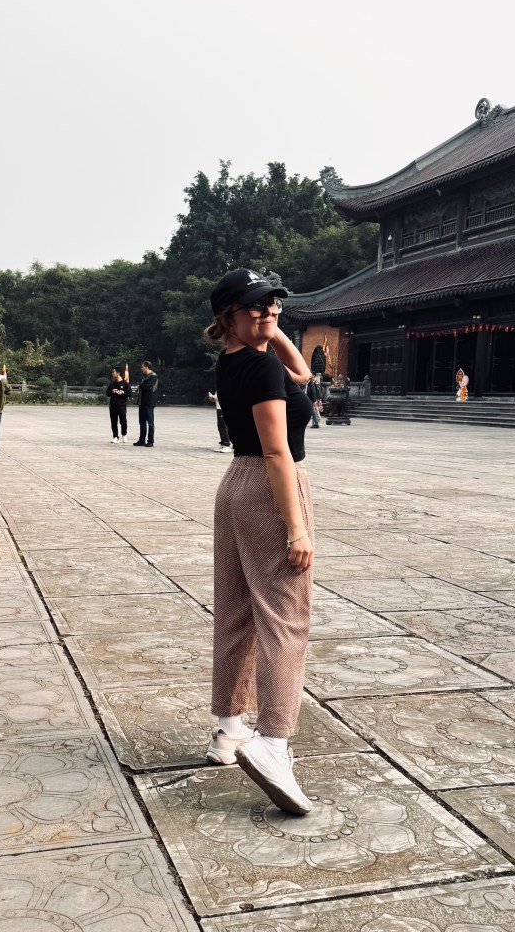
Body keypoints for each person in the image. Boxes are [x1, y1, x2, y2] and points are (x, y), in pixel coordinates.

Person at [205, 268, 314, 816]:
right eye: (256, 306)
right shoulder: (261, 365)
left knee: (235, 610)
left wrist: (271, 327)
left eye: (274, 304)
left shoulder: (235, 360)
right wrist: (297, 527)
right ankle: (273, 742)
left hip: (233, 487)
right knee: (285, 618)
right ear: (228, 317)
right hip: (272, 488)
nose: (269, 312)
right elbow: (277, 452)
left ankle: (229, 728)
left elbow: (304, 373)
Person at [133, 361, 158, 447]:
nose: (141, 369)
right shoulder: (145, 377)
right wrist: (142, 385)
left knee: (150, 422)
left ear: (147, 367)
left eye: (142, 367)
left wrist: (141, 385)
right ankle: (141, 440)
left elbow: (148, 387)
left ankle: (150, 441)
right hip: (142, 402)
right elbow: (143, 386)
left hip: (149, 403)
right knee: (142, 422)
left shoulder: (153, 377)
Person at [106, 367, 133, 443]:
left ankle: (124, 435)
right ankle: (115, 436)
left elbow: (130, 394)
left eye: (113, 372)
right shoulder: (112, 384)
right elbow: (107, 393)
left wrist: (122, 393)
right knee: (113, 421)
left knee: (123, 421)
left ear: (118, 373)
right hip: (113, 405)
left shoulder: (125, 383)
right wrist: (112, 391)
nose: (112, 373)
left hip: (122, 405)